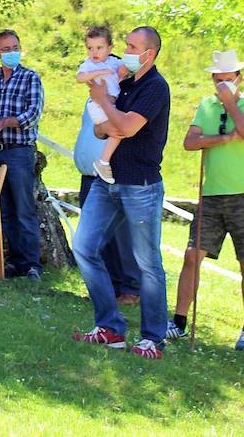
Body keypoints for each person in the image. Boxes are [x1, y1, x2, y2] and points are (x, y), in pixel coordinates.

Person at [72, 25, 170, 358]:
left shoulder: (156, 87)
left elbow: (127, 127)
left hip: (140, 186)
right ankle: (110, 327)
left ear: (149, 53)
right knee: (84, 247)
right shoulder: (123, 83)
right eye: (126, 44)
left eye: (131, 46)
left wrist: (103, 102)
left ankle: (153, 338)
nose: (124, 51)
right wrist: (112, 115)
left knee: (147, 263)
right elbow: (102, 129)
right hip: (106, 182)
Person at [165, 50, 244, 351]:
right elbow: (189, 142)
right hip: (211, 195)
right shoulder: (206, 106)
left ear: (239, 78)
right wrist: (222, 139)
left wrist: (231, 104)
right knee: (192, 254)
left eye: (228, 80)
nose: (222, 85)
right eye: (218, 80)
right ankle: (179, 322)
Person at [0, 29, 44, 279]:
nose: (11, 52)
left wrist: (5, 122)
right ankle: (13, 261)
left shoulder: (30, 78)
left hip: (19, 152)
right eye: (6, 49)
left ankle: (32, 264)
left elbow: (33, 114)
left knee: (24, 208)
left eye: (15, 47)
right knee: (4, 210)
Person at [72, 104, 140, 305]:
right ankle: (108, 286)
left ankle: (131, 288)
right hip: (89, 177)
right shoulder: (91, 101)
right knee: (97, 238)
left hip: (113, 178)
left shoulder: (119, 96)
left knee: (121, 237)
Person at [75, 25, 127, 183]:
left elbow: (126, 68)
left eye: (99, 48)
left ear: (109, 48)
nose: (94, 52)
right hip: (98, 104)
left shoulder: (114, 62)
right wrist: (99, 72)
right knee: (117, 131)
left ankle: (103, 161)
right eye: (90, 48)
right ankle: (103, 162)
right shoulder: (89, 65)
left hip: (112, 102)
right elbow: (80, 77)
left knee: (119, 131)